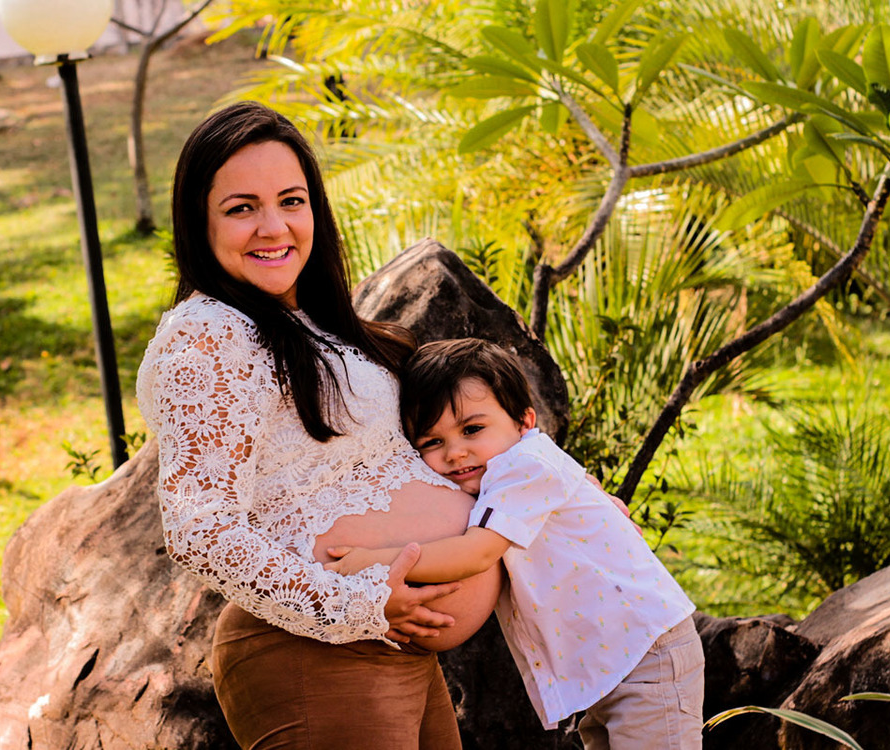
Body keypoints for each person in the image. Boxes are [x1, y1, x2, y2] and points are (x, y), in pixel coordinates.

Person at [135, 101, 503, 749]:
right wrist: (356, 605)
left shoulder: (309, 322)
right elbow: (199, 530)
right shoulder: (208, 334)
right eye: (242, 207)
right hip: (321, 650)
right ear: (200, 220)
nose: (273, 226)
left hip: (384, 649)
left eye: (292, 200)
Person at [326, 338, 705, 750]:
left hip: (645, 657)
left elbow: (477, 552)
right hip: (612, 663)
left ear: (525, 422)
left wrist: (377, 560)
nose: (455, 452)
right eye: (432, 442)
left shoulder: (522, 467)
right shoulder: (504, 474)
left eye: (472, 429)